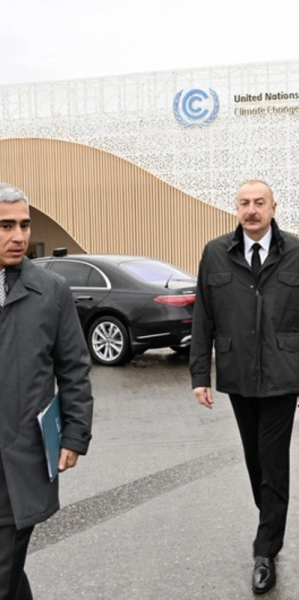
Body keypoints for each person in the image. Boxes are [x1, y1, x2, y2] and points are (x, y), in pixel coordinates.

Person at [190, 179, 299, 595]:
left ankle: (265, 549)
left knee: (273, 459)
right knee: (255, 461)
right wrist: (200, 375)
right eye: (244, 203)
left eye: (259, 203)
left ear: (273, 207)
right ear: (236, 209)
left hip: (283, 374)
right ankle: (270, 516)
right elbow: (203, 317)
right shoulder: (216, 253)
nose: (252, 210)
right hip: (237, 373)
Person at [0, 184, 94, 600]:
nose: (18, 236)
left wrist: (74, 435)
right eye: (5, 226)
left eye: (23, 225)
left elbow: (73, 367)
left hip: (22, 456)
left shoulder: (50, 291)